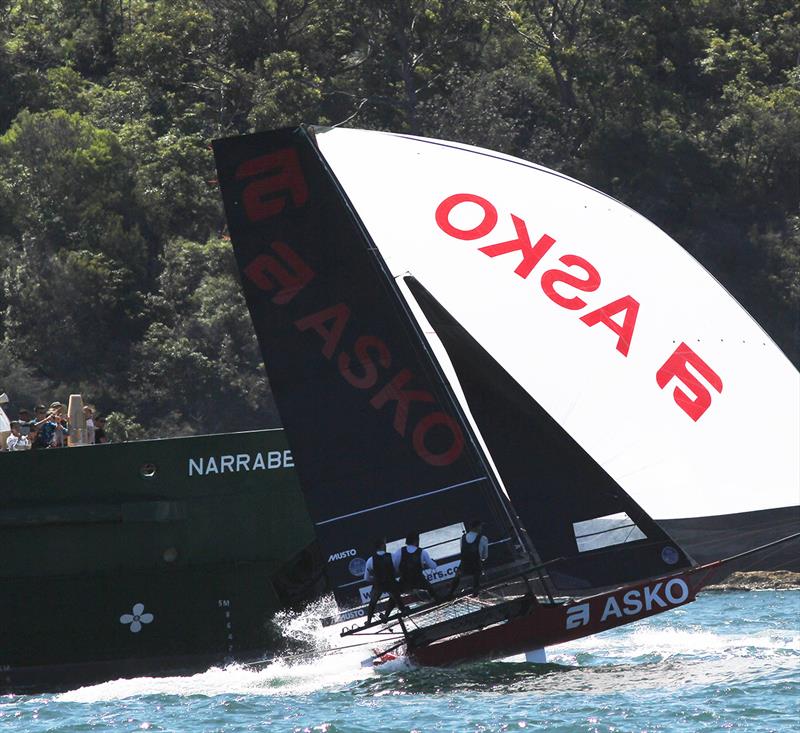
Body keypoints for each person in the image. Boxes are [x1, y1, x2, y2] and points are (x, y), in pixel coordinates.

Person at [364, 538, 407, 624]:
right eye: (384, 544)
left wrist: (376, 578)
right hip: (391, 583)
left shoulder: (370, 560)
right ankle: (400, 611)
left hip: (378, 584)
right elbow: (398, 570)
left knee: (373, 601)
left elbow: (366, 578)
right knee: (395, 596)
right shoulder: (392, 556)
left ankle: (368, 621)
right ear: (382, 546)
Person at [393, 532, 440, 602]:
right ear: (416, 541)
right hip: (419, 580)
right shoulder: (422, 552)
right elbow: (433, 566)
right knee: (431, 590)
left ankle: (390, 611)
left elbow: (395, 567)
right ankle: (438, 601)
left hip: (405, 581)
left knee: (394, 595)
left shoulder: (399, 552)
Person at [450, 520, 489, 597]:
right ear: (477, 527)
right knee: (477, 569)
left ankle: (450, 593)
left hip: (464, 566)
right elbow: (484, 556)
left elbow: (462, 552)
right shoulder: (483, 538)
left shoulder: (462, 538)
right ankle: (476, 592)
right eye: (480, 526)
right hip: (476, 566)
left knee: (458, 572)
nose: (481, 528)